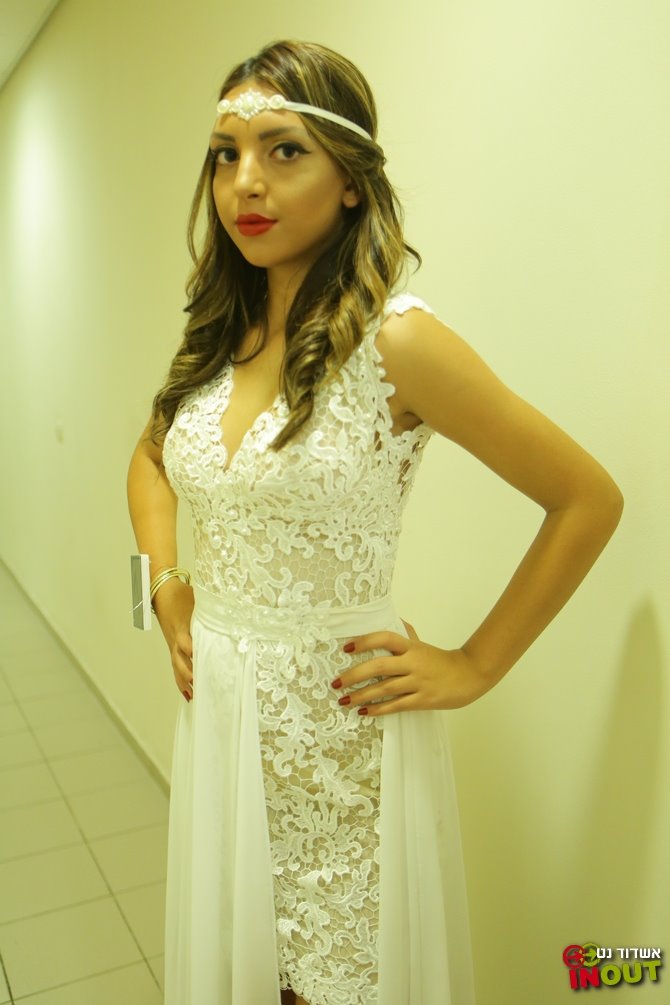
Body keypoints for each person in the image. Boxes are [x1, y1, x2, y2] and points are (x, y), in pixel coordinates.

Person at [127, 39, 623, 1005]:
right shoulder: (219, 334)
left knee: (332, 983)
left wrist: (475, 665)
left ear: (351, 179)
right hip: (221, 719)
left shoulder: (398, 341)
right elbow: (147, 462)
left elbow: (587, 498)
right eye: (226, 155)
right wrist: (161, 589)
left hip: (341, 738)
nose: (245, 182)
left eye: (284, 149)